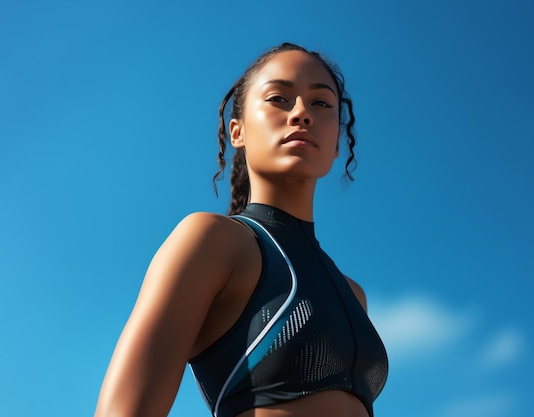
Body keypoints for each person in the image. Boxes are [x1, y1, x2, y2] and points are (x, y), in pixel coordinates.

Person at [94, 42, 388, 417]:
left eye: (321, 103)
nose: (301, 113)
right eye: (279, 98)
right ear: (237, 132)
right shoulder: (212, 241)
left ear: (336, 145)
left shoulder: (355, 294)